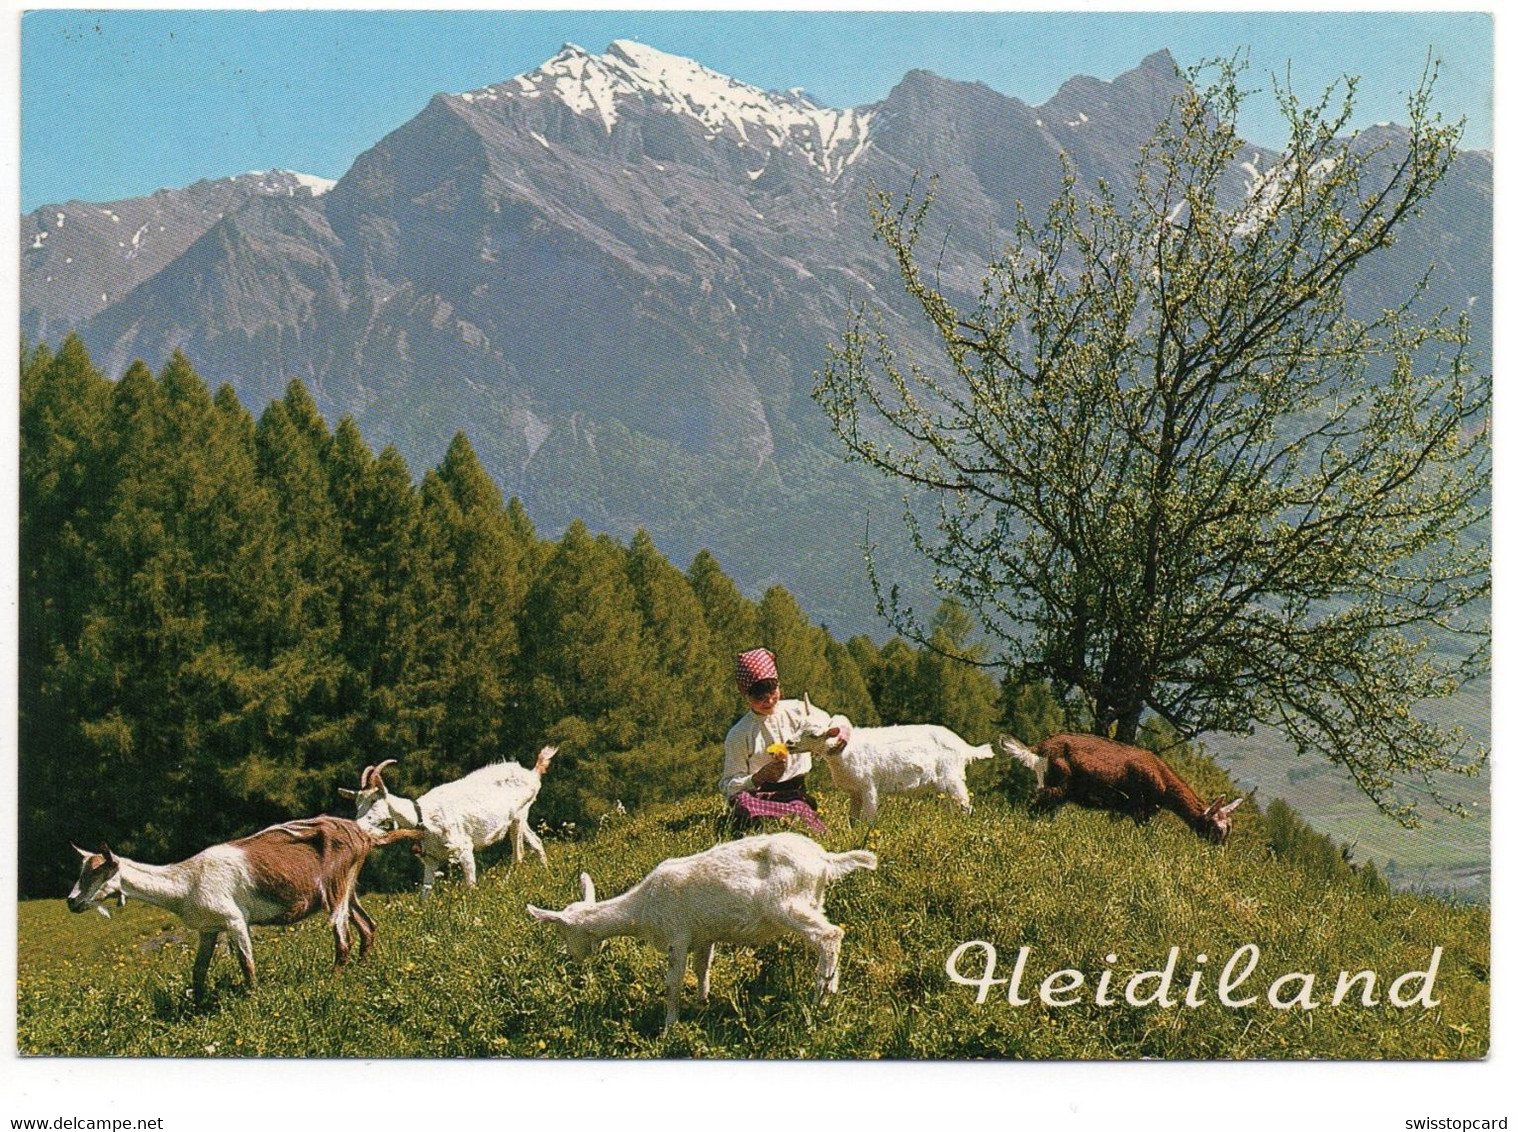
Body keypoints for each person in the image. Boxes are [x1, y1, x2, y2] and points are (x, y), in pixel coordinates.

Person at [721, 648, 849, 836]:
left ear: (779, 685)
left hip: (794, 791)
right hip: (757, 793)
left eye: (773, 690)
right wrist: (757, 777)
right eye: (759, 696)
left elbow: (832, 721)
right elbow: (728, 785)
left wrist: (841, 735)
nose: (769, 700)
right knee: (744, 805)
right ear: (744, 694)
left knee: (798, 808)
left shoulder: (798, 710)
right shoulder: (739, 733)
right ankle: (766, 822)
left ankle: (786, 820)